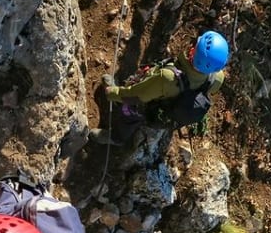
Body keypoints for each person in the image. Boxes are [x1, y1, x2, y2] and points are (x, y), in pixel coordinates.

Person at [89, 30, 230, 146]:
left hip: (152, 104)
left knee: (129, 110)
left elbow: (135, 96)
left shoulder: (168, 78)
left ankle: (117, 138)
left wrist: (113, 92)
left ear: (194, 52)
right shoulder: (217, 77)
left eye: (196, 46)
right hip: (171, 106)